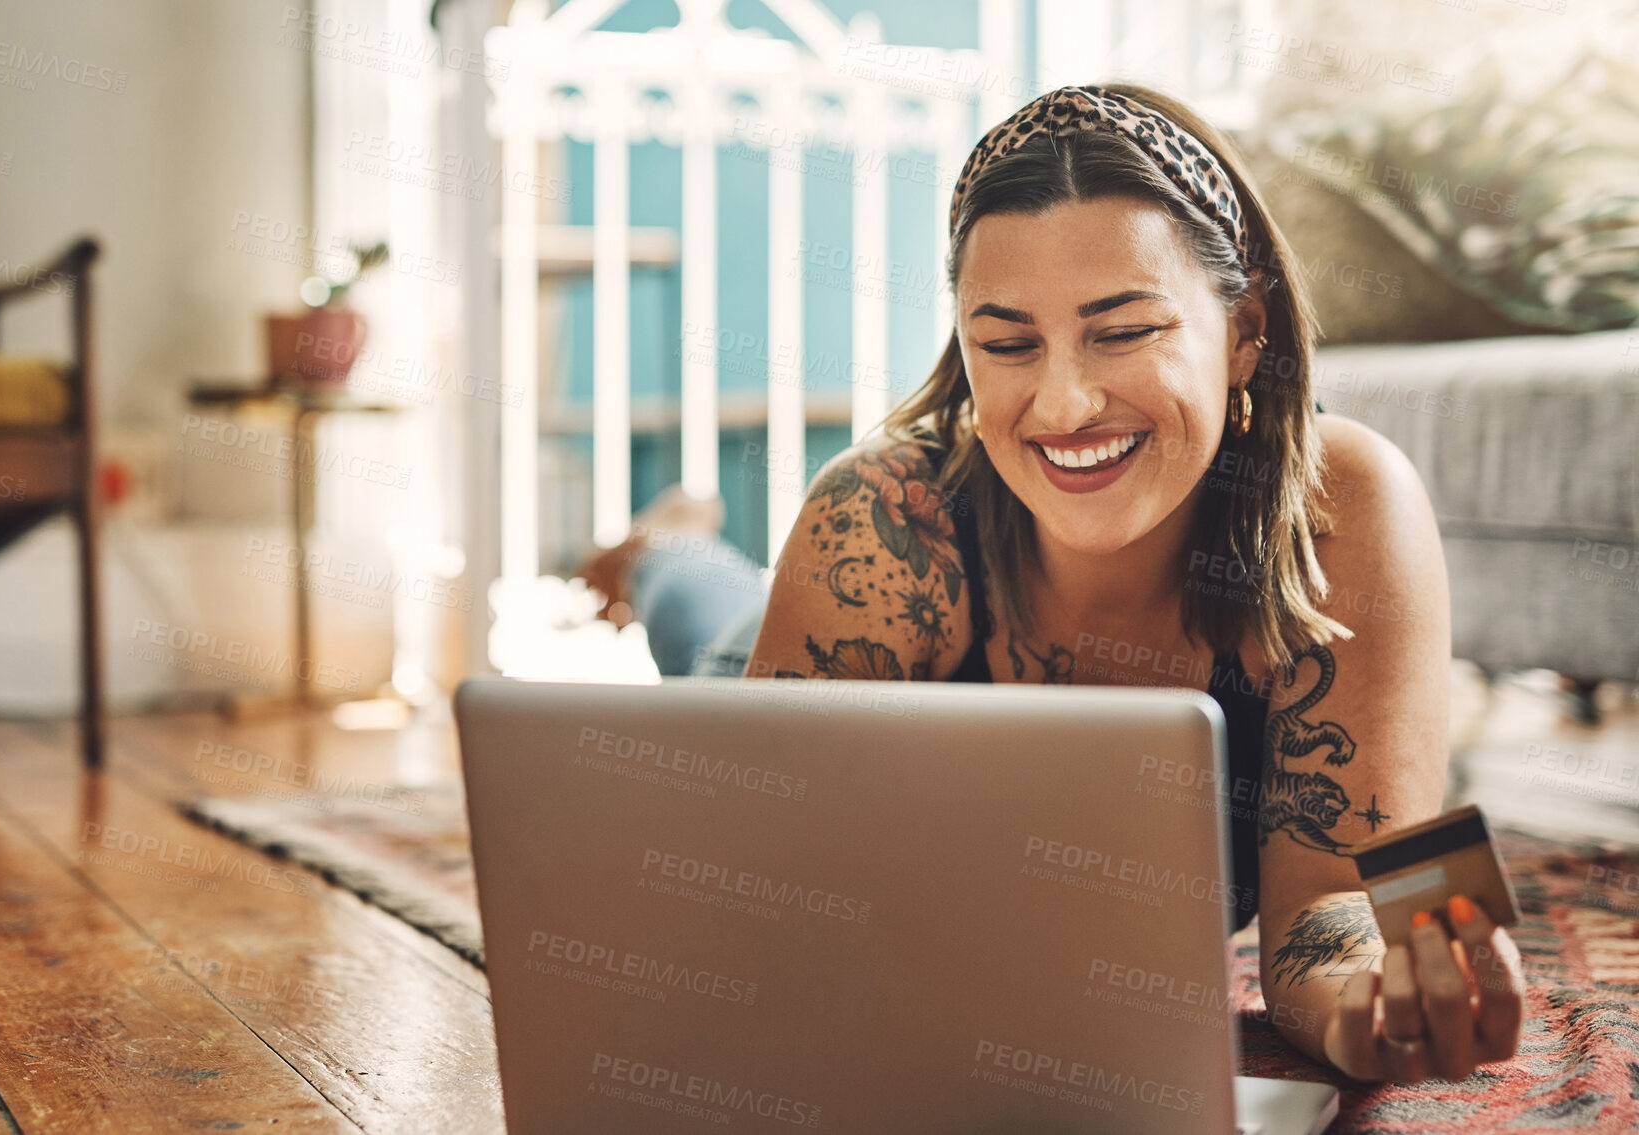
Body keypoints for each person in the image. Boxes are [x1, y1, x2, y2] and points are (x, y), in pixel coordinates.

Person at [580, 82, 1525, 1084]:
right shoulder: (882, 527)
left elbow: (1327, 903)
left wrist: (1366, 1002)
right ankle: (664, 545)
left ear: (1243, 331)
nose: (1063, 404)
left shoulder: (1342, 509)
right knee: (702, 620)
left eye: (1122, 331)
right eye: (1007, 343)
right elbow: (769, 913)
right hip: (766, 648)